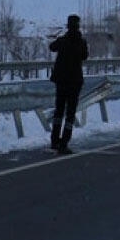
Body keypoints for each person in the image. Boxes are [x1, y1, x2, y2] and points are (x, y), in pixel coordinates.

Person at [49, 14, 89, 155]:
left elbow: (51, 47)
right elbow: (85, 56)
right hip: (74, 82)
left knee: (59, 111)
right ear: (78, 26)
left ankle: (54, 140)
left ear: (68, 26)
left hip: (61, 81)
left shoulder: (62, 40)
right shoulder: (81, 42)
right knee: (70, 113)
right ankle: (64, 143)